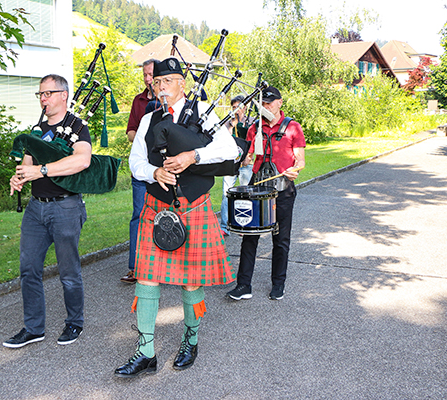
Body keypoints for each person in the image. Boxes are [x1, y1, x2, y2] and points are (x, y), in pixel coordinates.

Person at [114, 57, 239, 377]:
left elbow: (230, 151)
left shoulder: (204, 114)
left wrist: (192, 156)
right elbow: (135, 162)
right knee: (146, 277)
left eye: (167, 81)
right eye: (156, 83)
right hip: (157, 208)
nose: (160, 88)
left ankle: (191, 339)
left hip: (193, 207)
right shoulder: (148, 118)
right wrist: (154, 172)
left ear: (182, 83)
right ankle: (145, 352)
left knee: (191, 281)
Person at [4, 74, 92, 348]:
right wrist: (19, 177)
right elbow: (27, 163)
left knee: (68, 272)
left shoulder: (77, 127)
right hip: (35, 210)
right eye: (40, 94)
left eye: (48, 93)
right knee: (28, 269)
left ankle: (74, 323)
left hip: (66, 207)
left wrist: (40, 170)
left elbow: (82, 160)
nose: (43, 98)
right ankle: (33, 329)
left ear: (63, 95)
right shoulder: (37, 129)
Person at [227, 86, 306, 301]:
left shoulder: (293, 128)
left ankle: (278, 284)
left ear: (280, 102)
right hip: (258, 188)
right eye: (263, 103)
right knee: (249, 237)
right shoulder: (255, 128)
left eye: (270, 103)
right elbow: (248, 156)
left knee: (280, 239)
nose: (266, 106)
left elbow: (301, 161)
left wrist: (294, 169)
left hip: (283, 189)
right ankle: (244, 285)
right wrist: (242, 158)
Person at [121, 59, 157, 284]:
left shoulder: (170, 100)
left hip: (165, 168)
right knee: (139, 217)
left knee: (165, 217)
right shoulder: (139, 100)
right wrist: (147, 136)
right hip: (142, 169)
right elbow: (130, 133)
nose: (147, 79)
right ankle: (135, 267)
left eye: (150, 74)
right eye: (144, 75)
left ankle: (163, 266)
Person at [219, 95, 255, 236]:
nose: (236, 110)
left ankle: (243, 225)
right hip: (231, 163)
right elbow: (224, 140)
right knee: (226, 194)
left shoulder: (252, 122)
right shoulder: (228, 123)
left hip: (246, 163)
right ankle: (225, 226)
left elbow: (254, 141)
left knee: (245, 194)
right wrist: (232, 124)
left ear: (244, 107)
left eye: (238, 107)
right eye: (233, 107)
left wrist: (248, 157)